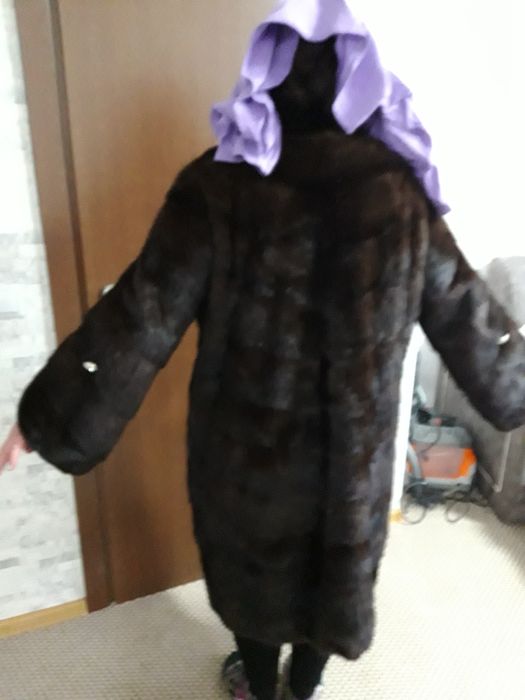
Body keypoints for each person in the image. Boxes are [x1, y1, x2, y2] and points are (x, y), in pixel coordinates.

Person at [2, 1, 525, 699]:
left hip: (246, 463)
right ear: (358, 83)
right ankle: (301, 691)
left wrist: (49, 417)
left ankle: (257, 684)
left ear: (266, 78)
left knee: (252, 585)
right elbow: (467, 311)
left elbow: (139, 313)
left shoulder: (216, 186)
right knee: (328, 586)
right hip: (349, 466)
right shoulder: (396, 194)